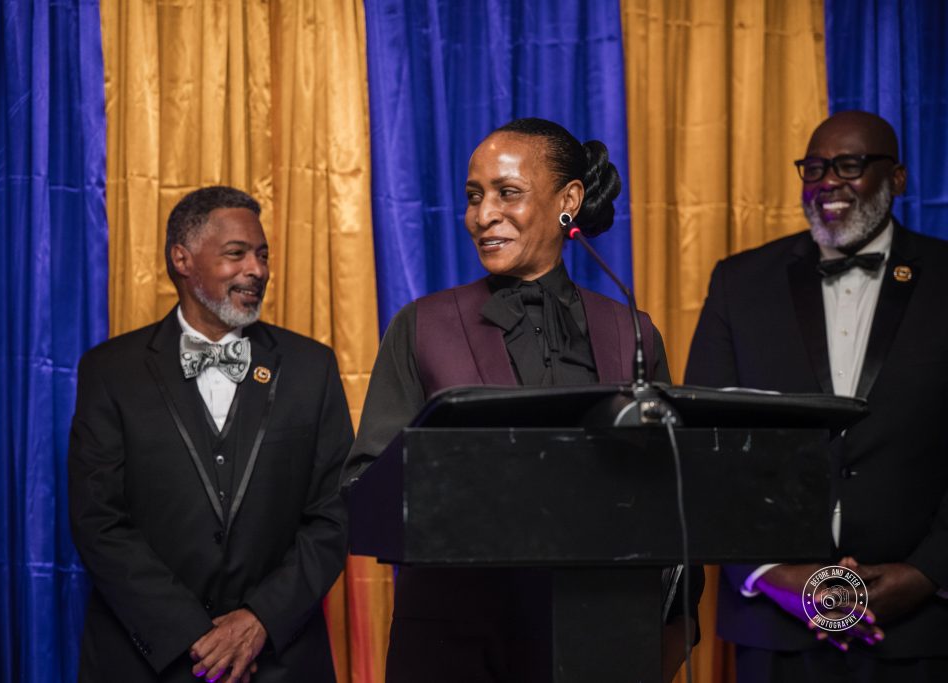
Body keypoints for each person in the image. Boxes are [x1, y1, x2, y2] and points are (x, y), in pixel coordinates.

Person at [344, 117, 702, 682]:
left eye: (507, 193)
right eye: (473, 197)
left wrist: (669, 629)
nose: (482, 215)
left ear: (569, 200)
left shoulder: (631, 332)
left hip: (602, 637)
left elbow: (673, 494)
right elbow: (365, 484)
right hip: (452, 641)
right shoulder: (423, 326)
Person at [685, 111, 948, 681]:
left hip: (923, 625)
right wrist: (771, 573)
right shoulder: (739, 283)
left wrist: (930, 572)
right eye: (815, 167)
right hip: (775, 628)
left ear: (897, 179)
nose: (827, 181)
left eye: (850, 165)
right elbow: (706, 446)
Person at [68, 186, 353, 682]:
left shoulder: (313, 368)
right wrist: (191, 635)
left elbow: (336, 514)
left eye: (262, 255)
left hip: (279, 662)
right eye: (236, 253)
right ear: (183, 258)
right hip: (148, 662)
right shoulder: (109, 371)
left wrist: (260, 619)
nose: (257, 270)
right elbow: (98, 521)